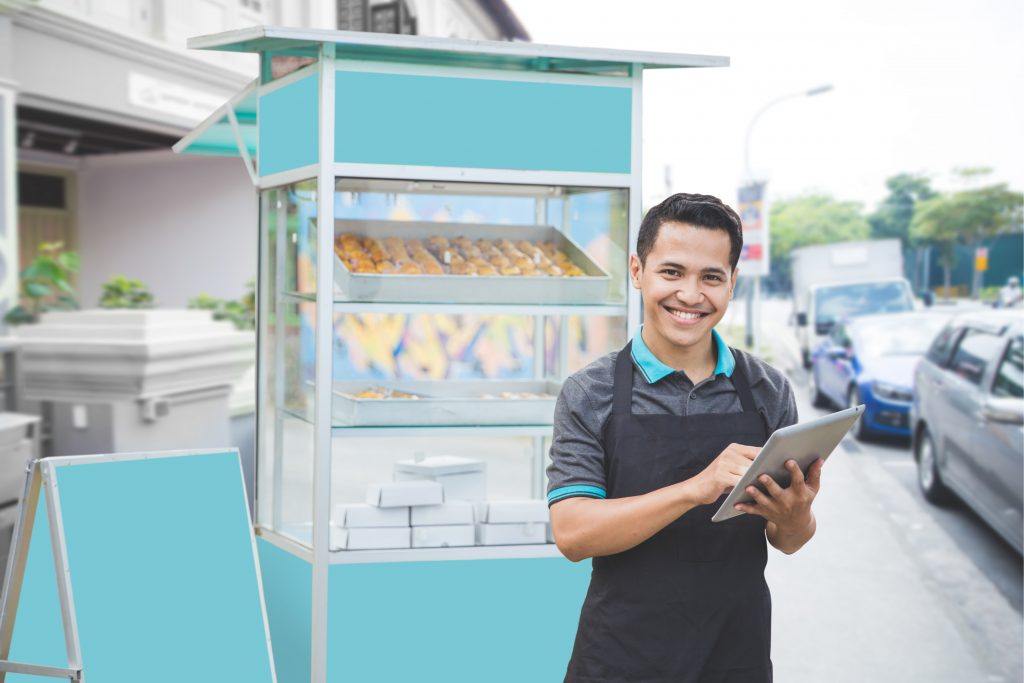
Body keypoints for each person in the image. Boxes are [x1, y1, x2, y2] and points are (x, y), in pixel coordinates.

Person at [547, 193, 823, 683]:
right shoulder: (590, 392)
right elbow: (572, 534)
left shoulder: (768, 390)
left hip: (735, 653)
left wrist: (796, 514)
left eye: (711, 277)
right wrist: (697, 488)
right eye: (672, 272)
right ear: (638, 271)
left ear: (732, 283)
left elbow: (789, 541)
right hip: (619, 657)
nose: (691, 295)